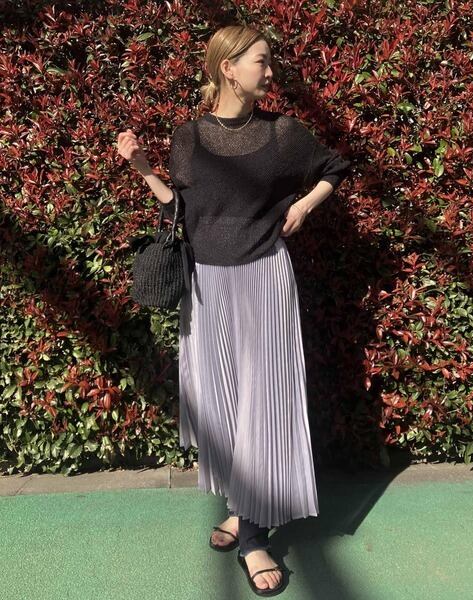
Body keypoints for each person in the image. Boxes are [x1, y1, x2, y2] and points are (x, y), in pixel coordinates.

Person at [117, 24, 351, 596]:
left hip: (264, 279)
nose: (269, 72)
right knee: (220, 405)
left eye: (269, 62)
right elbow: (180, 211)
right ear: (228, 68)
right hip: (205, 284)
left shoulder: (283, 133)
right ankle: (241, 505)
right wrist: (144, 168)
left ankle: (252, 536)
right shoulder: (188, 136)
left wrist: (305, 205)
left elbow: (334, 167)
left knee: (263, 406)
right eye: (260, 61)